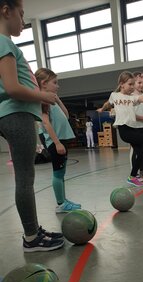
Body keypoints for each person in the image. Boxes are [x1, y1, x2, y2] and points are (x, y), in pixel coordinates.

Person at [0, 0, 64, 252]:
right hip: (16, 114)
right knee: (25, 179)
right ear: (6, 10)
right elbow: (13, 88)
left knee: (25, 177)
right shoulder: (4, 42)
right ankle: (31, 237)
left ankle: (33, 230)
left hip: (14, 115)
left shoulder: (6, 43)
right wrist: (43, 96)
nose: (24, 21)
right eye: (22, 14)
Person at [97, 71, 143, 187]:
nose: (132, 87)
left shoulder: (132, 98)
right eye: (130, 84)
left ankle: (132, 177)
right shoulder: (115, 95)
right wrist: (102, 109)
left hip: (131, 129)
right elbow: (108, 103)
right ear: (122, 84)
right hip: (124, 130)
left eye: (133, 84)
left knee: (141, 154)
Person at [35, 67, 82, 213]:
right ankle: (61, 204)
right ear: (44, 83)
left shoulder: (51, 99)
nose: (58, 85)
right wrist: (56, 143)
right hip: (56, 141)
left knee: (61, 173)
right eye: (55, 82)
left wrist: (58, 99)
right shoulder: (42, 99)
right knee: (57, 173)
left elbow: (66, 115)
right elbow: (46, 123)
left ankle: (63, 200)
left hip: (61, 140)